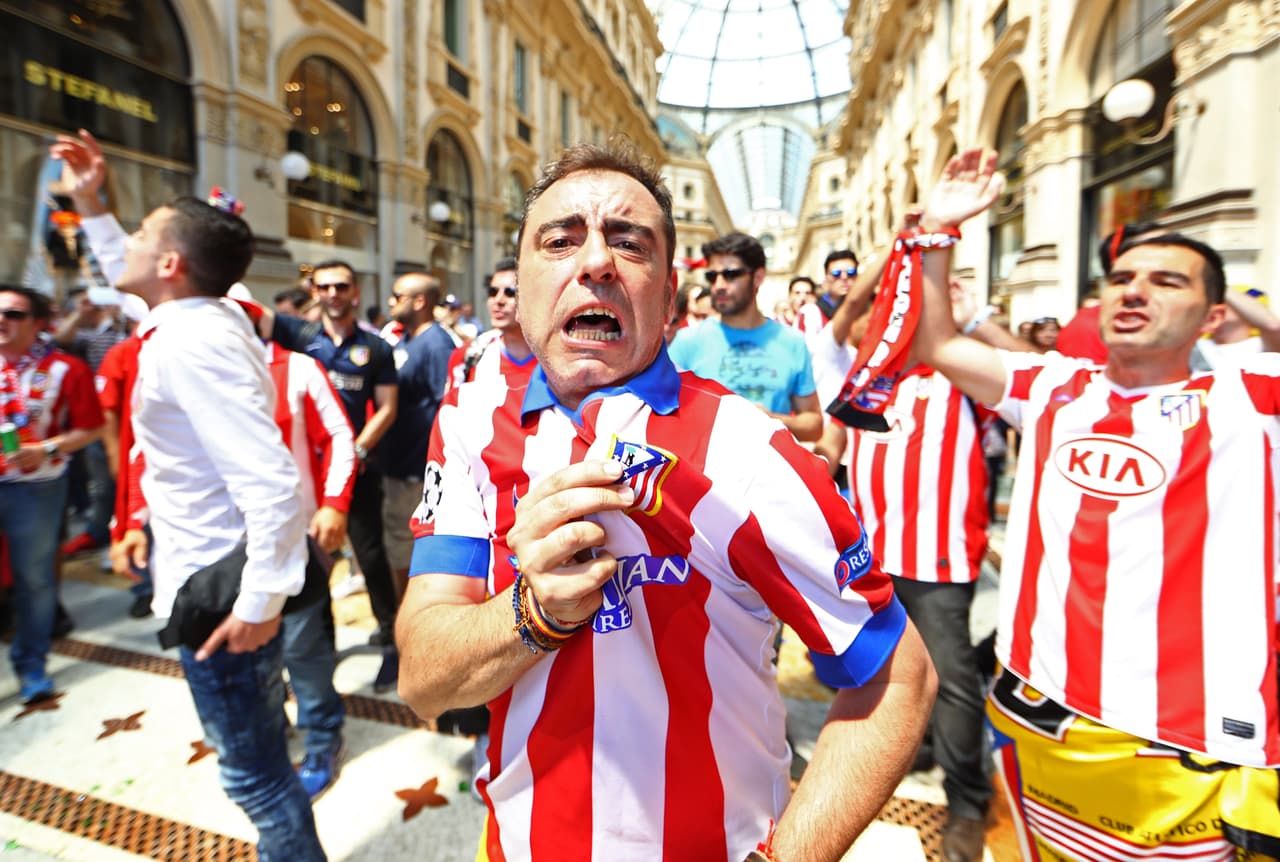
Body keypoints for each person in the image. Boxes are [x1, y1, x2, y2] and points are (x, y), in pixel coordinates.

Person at [396, 142, 935, 860]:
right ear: (518, 286)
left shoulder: (747, 448)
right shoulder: (468, 422)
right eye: (560, 240)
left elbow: (898, 675)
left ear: (670, 295)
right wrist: (532, 613)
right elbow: (423, 681)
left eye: (629, 243)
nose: (596, 262)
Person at [910, 147, 1280, 858]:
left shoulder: (1251, 397)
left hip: (1185, 746)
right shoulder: (1053, 387)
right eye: (1120, 279)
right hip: (1042, 719)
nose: (1134, 292)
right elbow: (938, 342)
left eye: (1167, 281)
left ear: (1212, 315)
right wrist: (937, 232)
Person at [105, 197, 327, 860]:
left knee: (255, 777)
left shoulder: (191, 342)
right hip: (214, 575)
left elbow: (273, 484)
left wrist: (259, 604)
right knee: (262, 760)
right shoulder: (196, 319)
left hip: (220, 596)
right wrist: (89, 206)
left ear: (170, 263)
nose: (128, 241)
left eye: (140, 233)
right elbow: (123, 273)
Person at [268, 261, 400, 653]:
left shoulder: (376, 347)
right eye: (324, 287)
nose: (333, 294)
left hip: (358, 469)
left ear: (355, 291)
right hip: (305, 474)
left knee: (370, 555)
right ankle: (320, 645)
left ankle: (390, 636)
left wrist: (354, 452)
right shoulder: (298, 337)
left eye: (341, 286)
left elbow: (388, 408)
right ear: (313, 292)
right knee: (308, 558)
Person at [0, 284, 104, 702]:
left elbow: (92, 427)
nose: (2, 320)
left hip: (37, 487)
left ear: (38, 323)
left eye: (13, 314)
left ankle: (31, 666)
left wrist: (44, 448)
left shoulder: (64, 368)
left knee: (35, 580)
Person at [376, 272, 457, 692]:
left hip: (416, 472)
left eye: (398, 296)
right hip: (397, 468)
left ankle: (413, 643)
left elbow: (447, 408)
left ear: (420, 301)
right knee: (396, 554)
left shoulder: (437, 345)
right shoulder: (407, 340)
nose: (391, 302)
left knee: (410, 559)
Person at [669, 232, 823, 442]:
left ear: (758, 277)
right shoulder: (687, 341)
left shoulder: (792, 341)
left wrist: (770, 421)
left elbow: (814, 425)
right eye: (712, 276)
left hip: (769, 461)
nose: (719, 285)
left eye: (731, 275)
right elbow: (660, 414)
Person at [445, 257, 536, 390]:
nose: (498, 300)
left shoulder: (556, 361)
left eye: (510, 292)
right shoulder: (468, 356)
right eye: (493, 292)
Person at [816, 248, 860, 321]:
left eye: (851, 272)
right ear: (826, 278)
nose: (844, 277)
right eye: (836, 273)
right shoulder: (814, 313)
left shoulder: (869, 306)